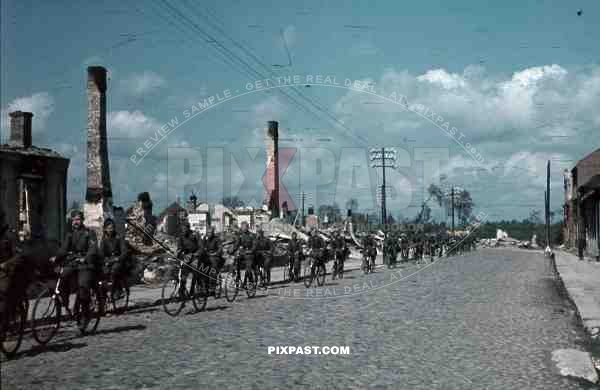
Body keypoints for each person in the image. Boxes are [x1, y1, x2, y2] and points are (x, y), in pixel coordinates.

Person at [50, 210, 99, 324]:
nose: (75, 222)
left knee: (83, 286)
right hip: (73, 263)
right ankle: (66, 304)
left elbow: (93, 248)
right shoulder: (70, 234)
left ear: (82, 220)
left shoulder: (89, 233)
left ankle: (86, 314)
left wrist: (86, 258)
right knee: (62, 276)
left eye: (78, 219)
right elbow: (64, 249)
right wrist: (56, 257)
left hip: (86, 264)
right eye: (73, 220)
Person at [99, 219, 130, 299]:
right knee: (102, 271)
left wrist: (118, 258)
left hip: (119, 260)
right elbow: (101, 253)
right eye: (108, 228)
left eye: (112, 228)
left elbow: (124, 251)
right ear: (105, 229)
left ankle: (117, 289)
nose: (110, 230)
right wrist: (103, 260)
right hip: (109, 261)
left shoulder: (118, 237)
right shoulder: (104, 240)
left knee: (114, 270)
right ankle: (103, 292)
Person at [175, 221, 202, 295]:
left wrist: (197, 253)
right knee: (184, 273)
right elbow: (179, 247)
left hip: (195, 254)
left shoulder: (195, 234)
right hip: (186, 256)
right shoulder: (181, 236)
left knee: (194, 271)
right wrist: (178, 253)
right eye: (182, 229)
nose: (184, 230)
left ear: (188, 228)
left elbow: (201, 246)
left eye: (185, 228)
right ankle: (182, 290)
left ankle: (192, 289)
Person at [203, 226, 223, 295]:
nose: (209, 234)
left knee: (213, 271)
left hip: (215, 257)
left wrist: (215, 253)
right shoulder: (205, 239)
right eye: (208, 232)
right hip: (207, 256)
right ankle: (204, 287)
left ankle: (212, 289)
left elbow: (220, 249)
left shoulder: (217, 239)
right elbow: (202, 247)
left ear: (213, 233)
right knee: (203, 269)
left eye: (210, 232)